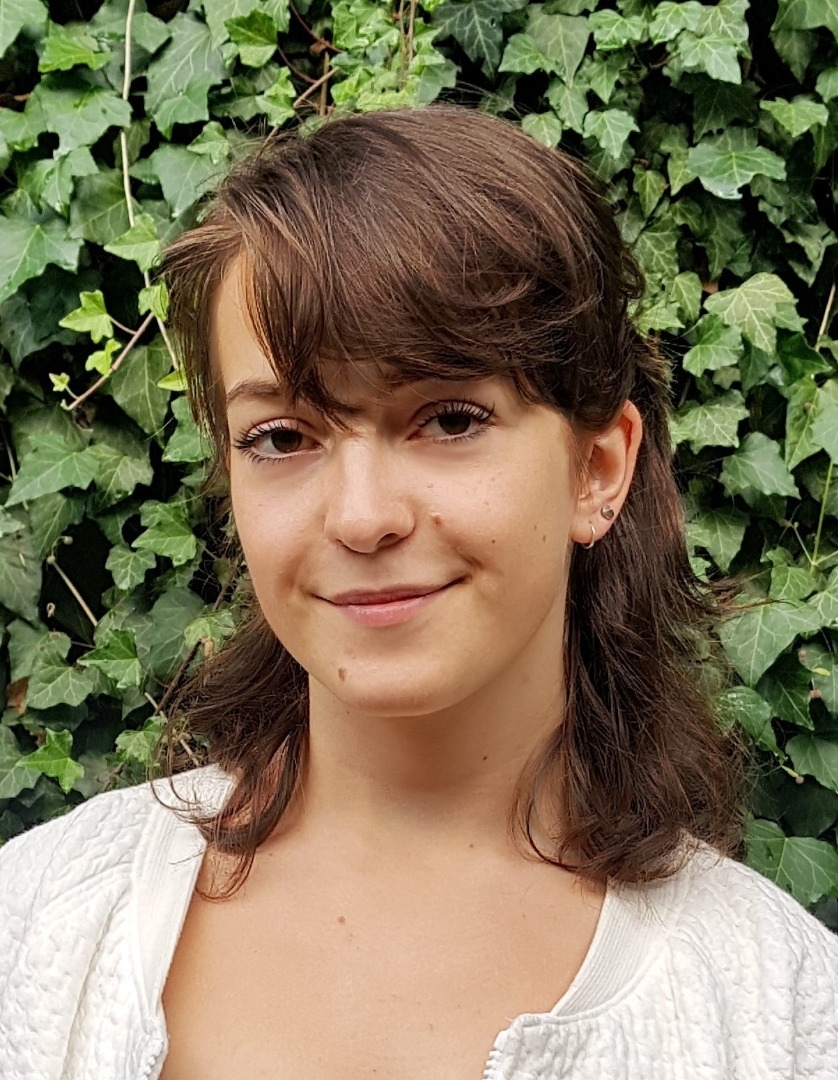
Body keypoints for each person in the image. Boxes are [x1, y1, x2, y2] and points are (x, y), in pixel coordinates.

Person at [1, 104, 836, 1080]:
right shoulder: (35, 922)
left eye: (449, 419)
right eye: (282, 436)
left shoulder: (779, 1007)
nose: (362, 517)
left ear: (597, 469)